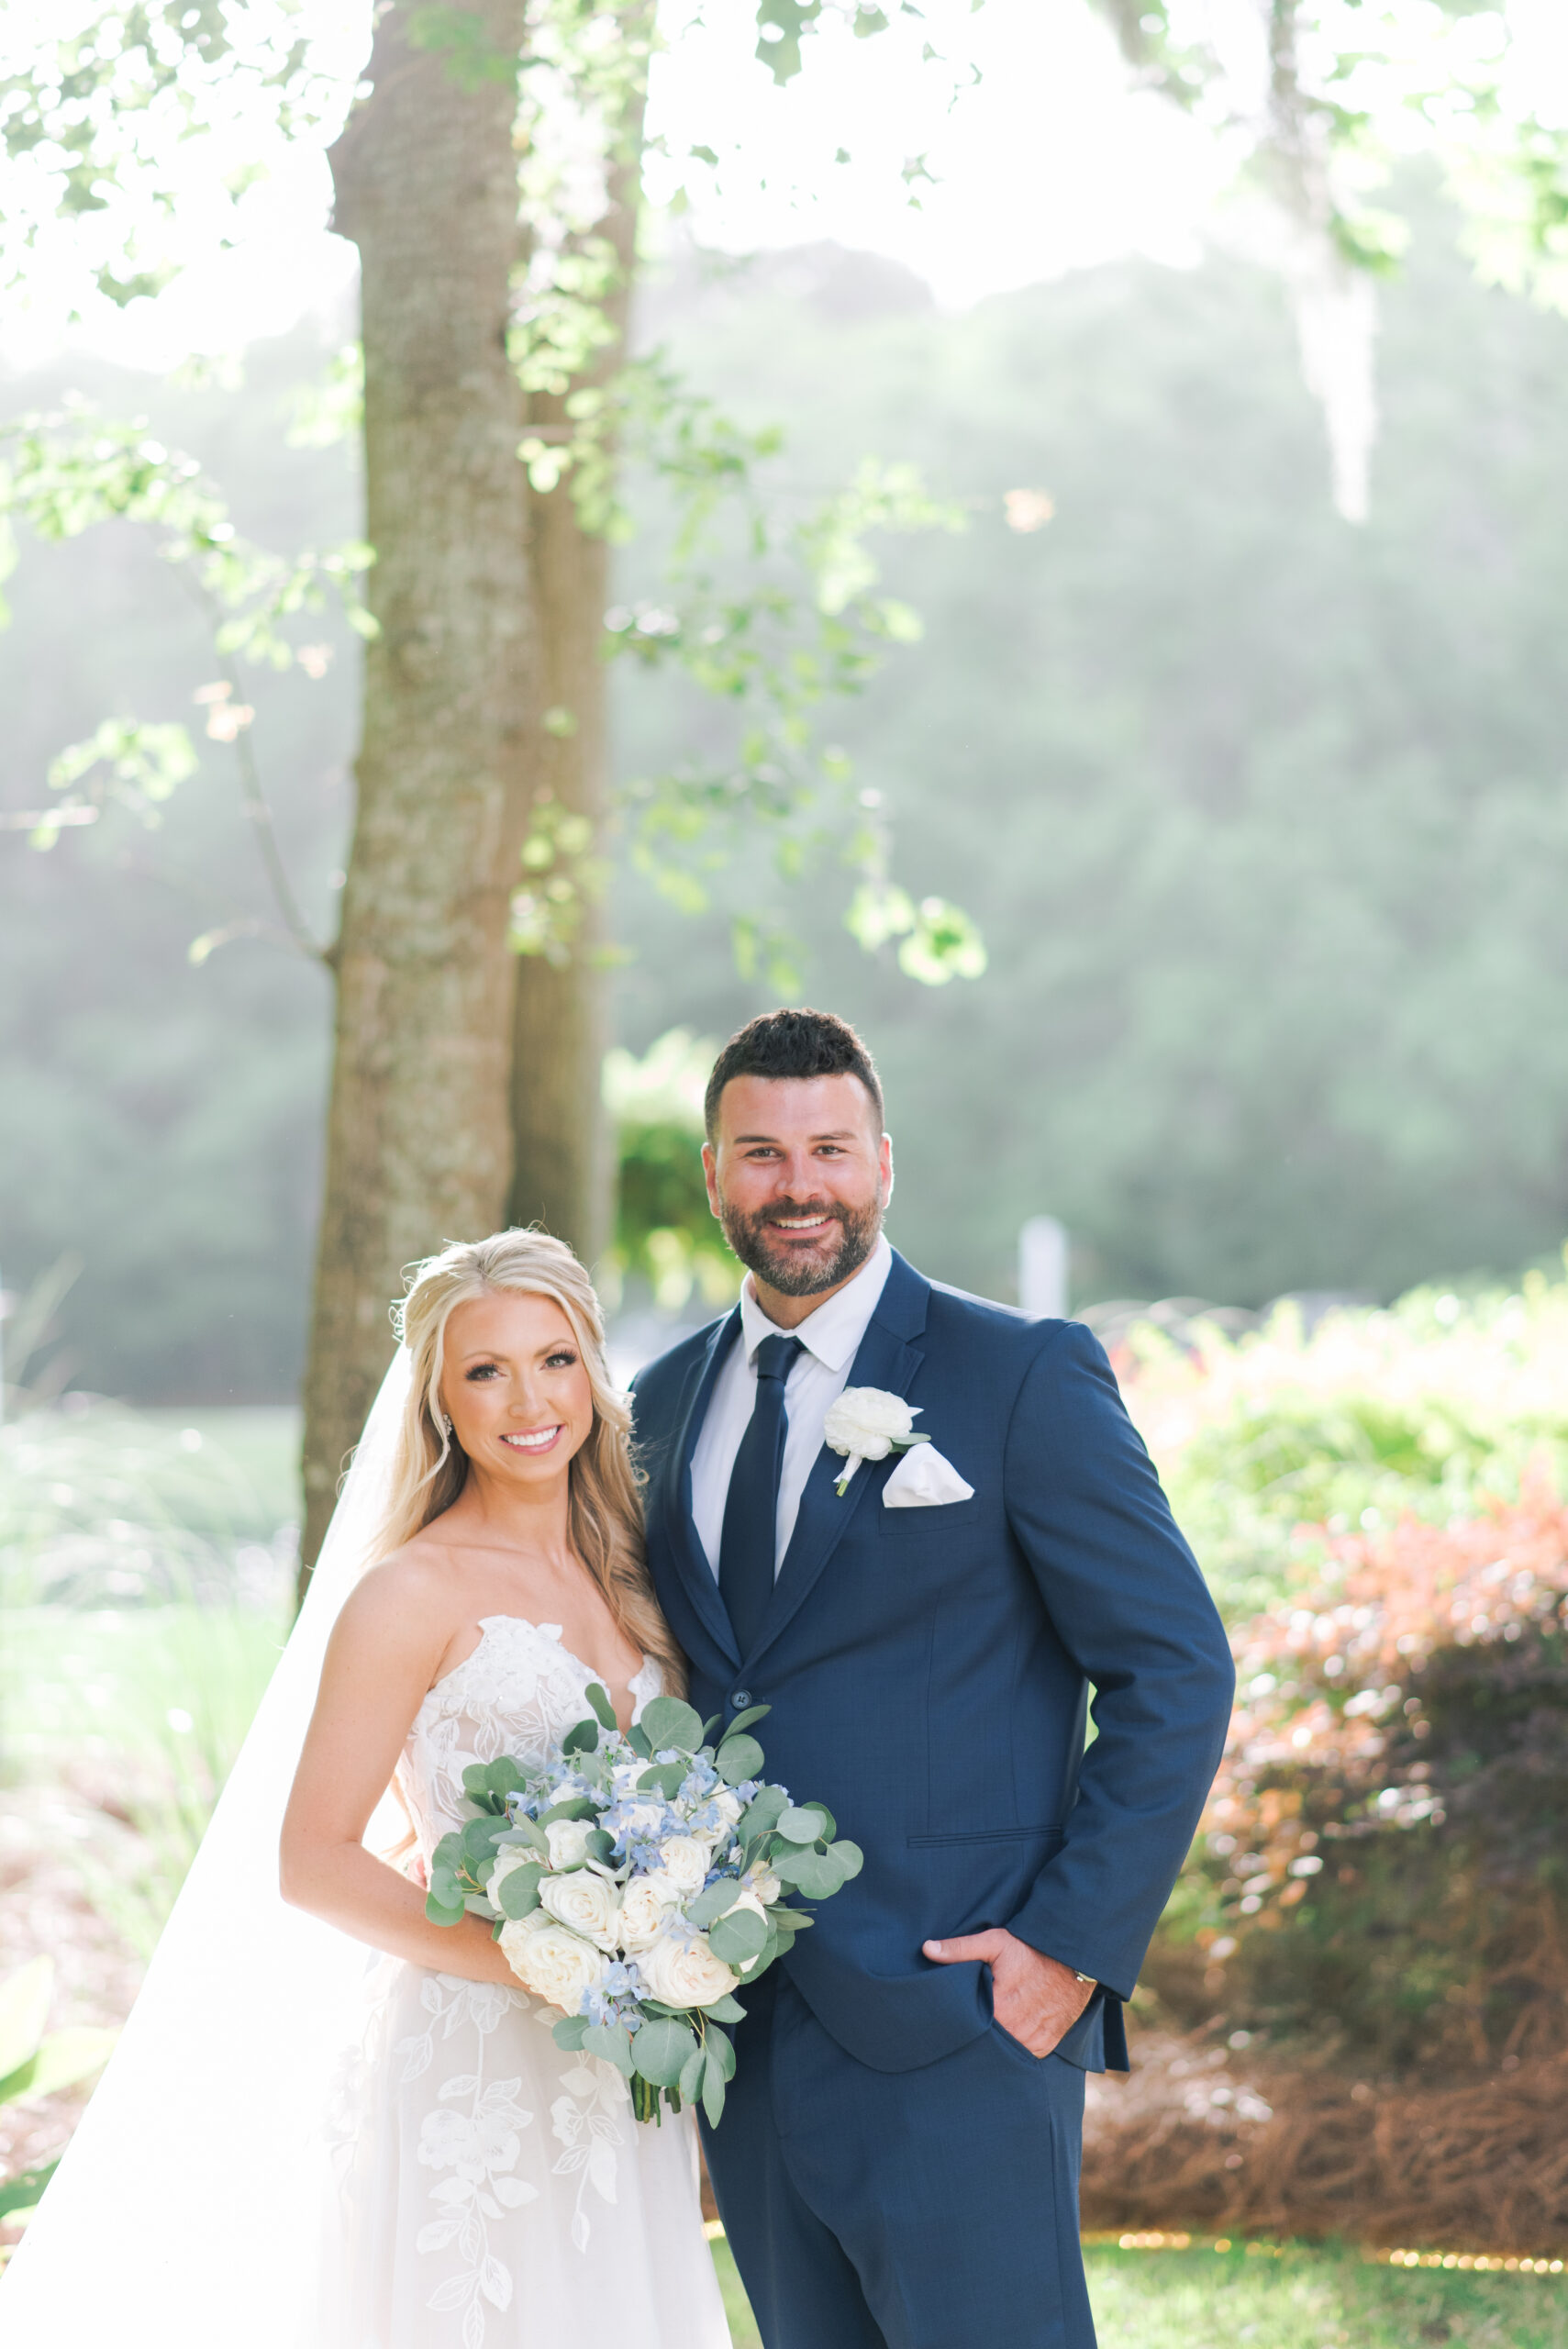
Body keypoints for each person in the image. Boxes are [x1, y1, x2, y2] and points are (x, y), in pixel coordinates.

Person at [0, 1231, 729, 2349]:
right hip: (476, 2059)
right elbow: (314, 1858)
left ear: (593, 1370)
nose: (527, 1399)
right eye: (484, 1370)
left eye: (554, 1359)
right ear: (437, 1399)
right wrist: (546, 1961)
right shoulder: (409, 1591)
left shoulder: (637, 1568)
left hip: (620, 2065)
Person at [631, 1008, 1237, 2349]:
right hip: (739, 2021)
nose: (799, 1185)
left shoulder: (1018, 1374)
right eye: (761, 1153)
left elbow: (1174, 1668)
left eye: (830, 1149)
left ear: (884, 1164)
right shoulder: (659, 1405)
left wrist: (1069, 1948)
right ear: (716, 1176)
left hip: (963, 2008)